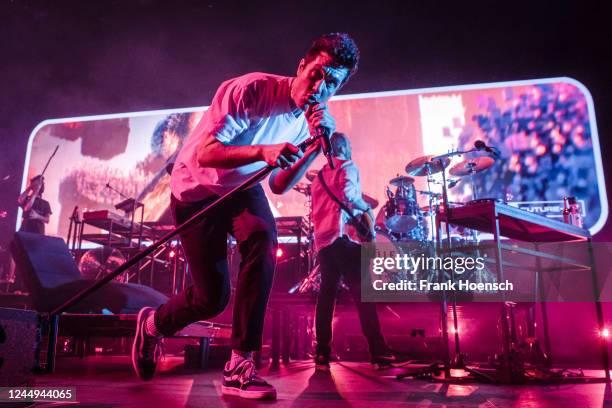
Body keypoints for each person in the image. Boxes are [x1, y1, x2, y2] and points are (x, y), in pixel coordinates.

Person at [131, 33, 360, 400]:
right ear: (301, 67)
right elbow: (206, 153)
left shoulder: (308, 121)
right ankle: (153, 325)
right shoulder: (249, 90)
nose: (319, 86)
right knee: (212, 298)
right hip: (196, 187)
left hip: (238, 188)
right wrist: (262, 151)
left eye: (330, 82)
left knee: (264, 239)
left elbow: (282, 184)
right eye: (316, 74)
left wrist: (314, 147)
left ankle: (240, 365)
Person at [310, 132, 396, 372]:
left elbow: (316, 212)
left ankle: (322, 354)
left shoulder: (318, 178)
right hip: (345, 240)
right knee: (362, 296)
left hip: (324, 243)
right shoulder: (347, 166)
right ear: (345, 149)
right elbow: (349, 195)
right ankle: (378, 352)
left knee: (326, 298)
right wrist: (365, 206)